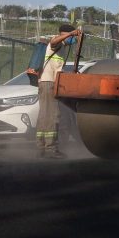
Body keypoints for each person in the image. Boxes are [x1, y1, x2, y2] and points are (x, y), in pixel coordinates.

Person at [36, 24, 81, 159]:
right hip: (48, 83)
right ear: (64, 34)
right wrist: (71, 34)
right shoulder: (56, 42)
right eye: (71, 37)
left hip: (47, 83)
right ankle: (50, 149)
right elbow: (53, 41)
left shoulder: (62, 48)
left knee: (44, 116)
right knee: (53, 116)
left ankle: (41, 147)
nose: (72, 41)